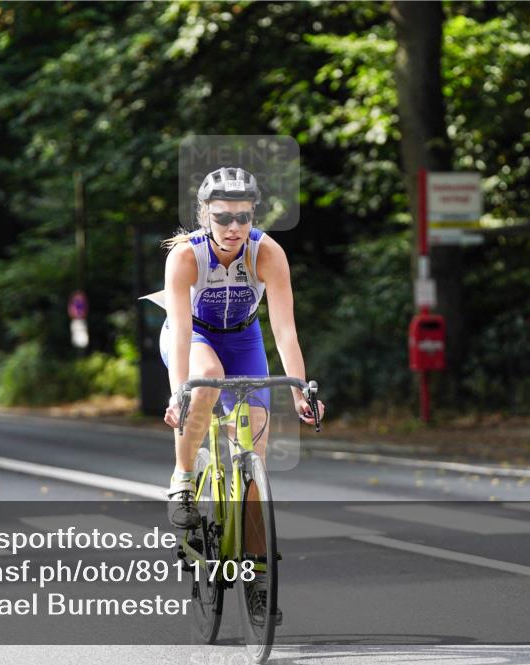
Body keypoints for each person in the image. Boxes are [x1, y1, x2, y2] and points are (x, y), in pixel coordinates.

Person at [157, 166, 325, 623]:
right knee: (206, 377)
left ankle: (257, 579)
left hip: (245, 339)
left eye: (243, 217)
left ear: (254, 215)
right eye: (222, 217)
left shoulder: (267, 252)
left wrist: (300, 391)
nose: (233, 227)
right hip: (194, 336)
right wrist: (179, 394)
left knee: (253, 461)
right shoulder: (186, 257)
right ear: (204, 216)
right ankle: (183, 480)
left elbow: (285, 330)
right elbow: (181, 328)